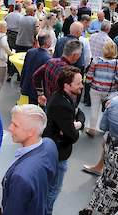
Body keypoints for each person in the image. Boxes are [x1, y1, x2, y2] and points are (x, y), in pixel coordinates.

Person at [44, 66, 85, 215]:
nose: (82, 85)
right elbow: (73, 136)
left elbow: (79, 114)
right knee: (54, 188)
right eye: (78, 83)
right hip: (58, 154)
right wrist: (77, 126)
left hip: (56, 147)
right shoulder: (62, 105)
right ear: (67, 85)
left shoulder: (63, 97)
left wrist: (76, 124)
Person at [2, 104, 58, 215]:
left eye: (15, 125)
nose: (9, 128)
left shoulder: (21, 177)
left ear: (31, 132)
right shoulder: (50, 144)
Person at [79, 95, 118, 215]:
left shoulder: (114, 102)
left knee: (106, 178)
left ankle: (91, 207)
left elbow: (103, 127)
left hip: (112, 146)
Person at [32, 39, 82, 106]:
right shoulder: (69, 73)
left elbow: (36, 75)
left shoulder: (50, 62)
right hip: (60, 107)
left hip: (48, 102)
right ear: (74, 55)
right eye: (80, 54)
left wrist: (40, 93)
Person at [85, 40, 118, 137]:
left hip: (95, 89)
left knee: (94, 109)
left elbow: (89, 77)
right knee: (109, 110)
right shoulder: (116, 63)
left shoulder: (96, 60)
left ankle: (92, 129)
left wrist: (90, 81)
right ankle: (106, 130)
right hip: (110, 92)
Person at [20, 31, 52, 104]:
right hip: (39, 91)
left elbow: (24, 69)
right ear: (47, 43)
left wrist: (22, 84)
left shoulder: (30, 52)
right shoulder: (48, 59)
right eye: (50, 40)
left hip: (28, 87)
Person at [5, 4, 22, 81]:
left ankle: (9, 70)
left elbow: (4, 22)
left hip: (9, 35)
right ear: (20, 9)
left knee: (9, 52)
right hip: (16, 35)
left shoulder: (8, 15)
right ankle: (16, 71)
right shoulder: (21, 17)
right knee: (17, 53)